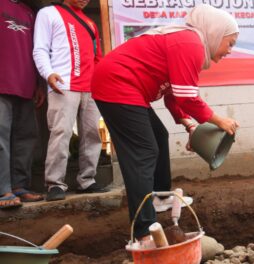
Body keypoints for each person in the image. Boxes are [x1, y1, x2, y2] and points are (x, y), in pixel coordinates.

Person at [91, 4, 240, 240]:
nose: (230, 50)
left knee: (159, 136)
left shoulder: (190, 43)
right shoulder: (189, 43)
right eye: (230, 43)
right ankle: (144, 231)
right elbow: (188, 97)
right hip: (116, 84)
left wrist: (190, 126)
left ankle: (160, 198)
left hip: (125, 88)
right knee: (144, 153)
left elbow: (173, 95)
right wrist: (218, 120)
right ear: (215, 32)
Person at [33, 0, 108, 201]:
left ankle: (87, 180)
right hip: (63, 83)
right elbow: (40, 48)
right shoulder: (49, 13)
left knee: (92, 134)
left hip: (90, 86)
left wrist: (101, 82)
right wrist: (48, 73)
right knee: (61, 133)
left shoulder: (90, 23)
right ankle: (55, 184)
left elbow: (97, 57)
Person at [0, 0, 45, 209]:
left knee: (26, 137)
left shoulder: (30, 12)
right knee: (1, 137)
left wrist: (39, 83)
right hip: (2, 82)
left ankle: (19, 185)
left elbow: (38, 49)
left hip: (26, 85)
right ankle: (3, 189)